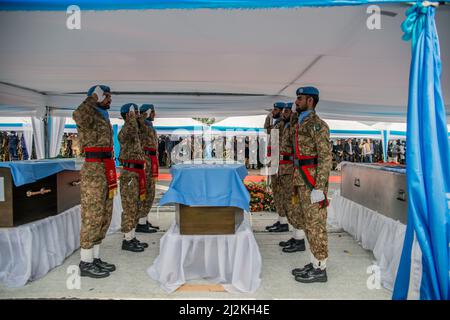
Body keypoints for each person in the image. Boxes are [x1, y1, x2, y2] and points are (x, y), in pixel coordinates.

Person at [73, 85, 117, 278]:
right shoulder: (87, 114)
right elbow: (77, 115)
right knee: (92, 214)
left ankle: (95, 257)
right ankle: (85, 262)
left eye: (109, 96)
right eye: (106, 96)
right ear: (96, 97)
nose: (109, 100)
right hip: (93, 169)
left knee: (105, 214)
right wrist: (92, 98)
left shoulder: (103, 116)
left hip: (106, 167)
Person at [290, 86, 332, 283]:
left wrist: (319, 187)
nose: (296, 102)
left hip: (312, 182)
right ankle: (314, 261)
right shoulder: (301, 121)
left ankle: (320, 269)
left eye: (300, 98)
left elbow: (325, 157)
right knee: (308, 224)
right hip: (302, 180)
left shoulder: (317, 124)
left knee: (316, 226)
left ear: (310, 101)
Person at [118, 103, 148, 252]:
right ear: (127, 115)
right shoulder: (126, 130)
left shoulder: (135, 130)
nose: (137, 114)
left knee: (135, 206)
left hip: (137, 173)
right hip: (129, 173)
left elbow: (143, 128)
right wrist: (130, 119)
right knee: (129, 207)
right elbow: (128, 131)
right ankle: (127, 239)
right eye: (134, 112)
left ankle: (132, 236)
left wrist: (138, 118)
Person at [277, 103, 306, 252]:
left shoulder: (296, 125)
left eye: (286, 111)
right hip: (285, 169)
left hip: (292, 170)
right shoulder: (287, 125)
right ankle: (296, 237)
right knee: (289, 204)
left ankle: (299, 240)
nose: (283, 113)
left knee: (294, 205)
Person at [264, 102, 289, 232]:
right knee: (276, 193)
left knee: (280, 194)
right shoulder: (277, 124)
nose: (272, 111)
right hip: (275, 162)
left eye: (275, 110)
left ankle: (284, 223)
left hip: (280, 164)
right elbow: (266, 128)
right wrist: (269, 116)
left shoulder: (284, 125)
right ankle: (281, 221)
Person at [135, 104, 160, 233]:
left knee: (150, 192)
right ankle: (141, 223)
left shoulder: (148, 125)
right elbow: (138, 121)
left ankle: (143, 219)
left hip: (151, 160)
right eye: (153, 112)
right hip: (146, 162)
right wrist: (144, 114)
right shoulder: (142, 124)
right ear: (149, 112)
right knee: (147, 192)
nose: (155, 114)